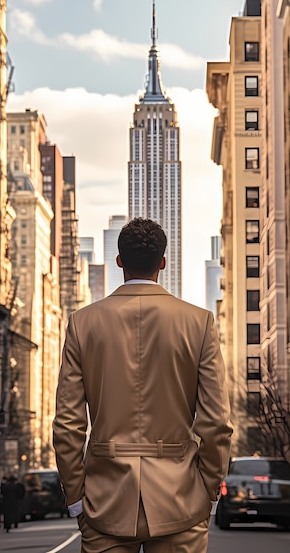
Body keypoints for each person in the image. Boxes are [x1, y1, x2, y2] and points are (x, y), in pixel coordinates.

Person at [53, 217, 233, 552]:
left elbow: (67, 426)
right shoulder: (199, 323)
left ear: (119, 261)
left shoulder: (82, 324)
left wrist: (76, 498)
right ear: (162, 263)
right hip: (180, 499)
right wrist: (208, 493)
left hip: (105, 502)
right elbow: (217, 423)